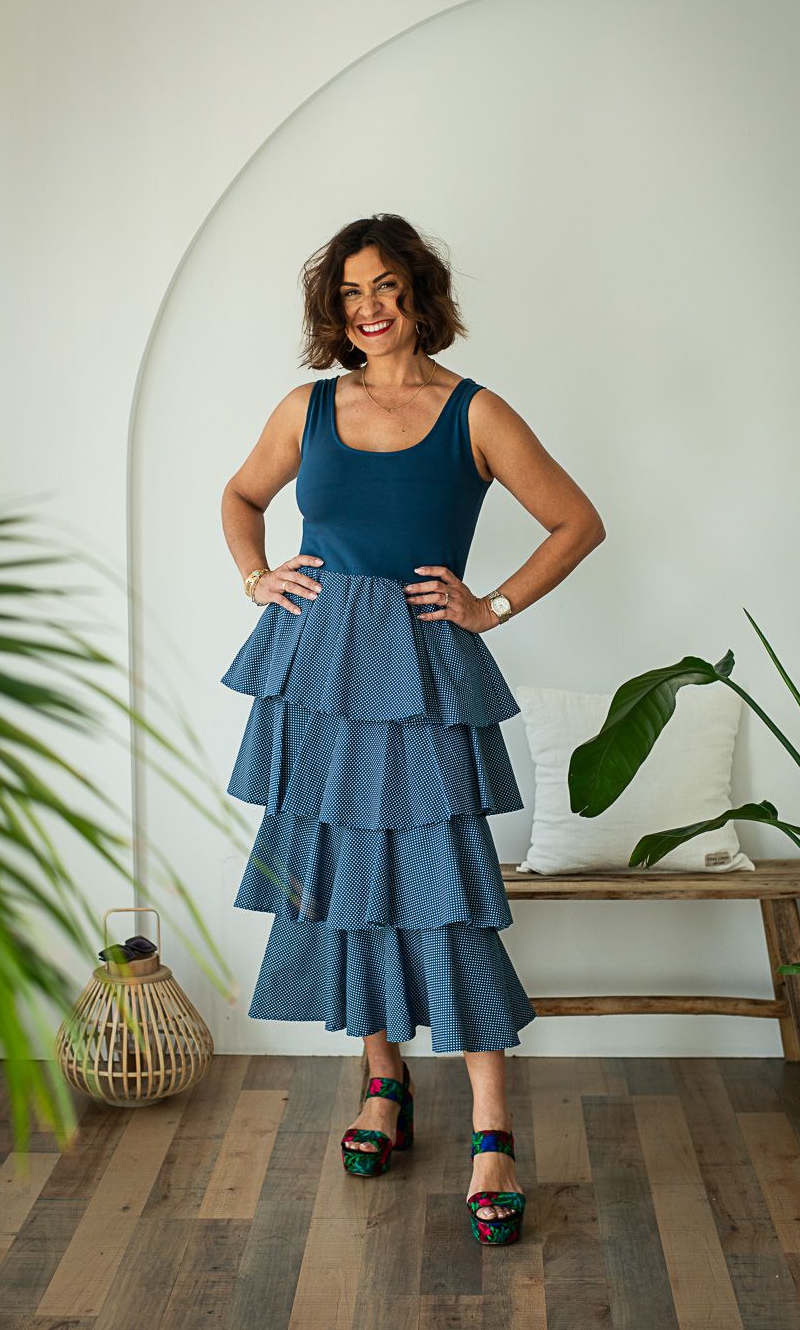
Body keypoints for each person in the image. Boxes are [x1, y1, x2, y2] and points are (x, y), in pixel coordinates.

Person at [220, 213, 606, 1245]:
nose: (369, 307)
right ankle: (383, 1081)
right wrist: (256, 576)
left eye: (385, 286)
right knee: (347, 876)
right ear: (333, 309)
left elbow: (577, 521)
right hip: (317, 670)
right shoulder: (307, 407)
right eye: (350, 293)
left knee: (447, 889)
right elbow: (242, 496)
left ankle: (493, 1132)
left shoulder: (473, 411)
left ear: (418, 294)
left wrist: (494, 605)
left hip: (423, 668)